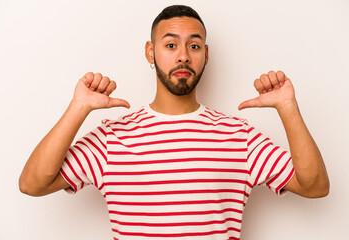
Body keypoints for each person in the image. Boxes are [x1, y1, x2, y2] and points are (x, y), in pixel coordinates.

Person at [19, 5, 329, 240]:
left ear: (205, 55)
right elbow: (33, 184)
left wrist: (288, 108)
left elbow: (315, 187)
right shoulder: (111, 139)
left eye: (194, 46)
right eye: (170, 45)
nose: (183, 56)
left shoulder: (239, 136)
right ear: (150, 52)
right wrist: (78, 108)